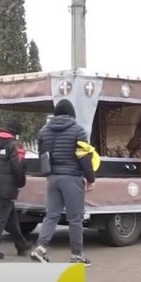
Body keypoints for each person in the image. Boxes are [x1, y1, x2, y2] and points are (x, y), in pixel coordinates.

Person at [31, 99, 95, 266]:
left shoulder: (44, 131)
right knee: (75, 219)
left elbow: (42, 156)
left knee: (51, 215)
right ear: (72, 114)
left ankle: (40, 248)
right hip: (72, 178)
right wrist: (90, 178)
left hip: (52, 178)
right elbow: (83, 157)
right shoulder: (78, 130)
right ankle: (76, 256)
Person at [0, 119, 32, 260]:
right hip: (8, 184)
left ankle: (21, 244)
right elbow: (18, 166)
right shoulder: (15, 145)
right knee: (1, 217)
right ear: (15, 133)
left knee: (11, 216)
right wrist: (20, 182)